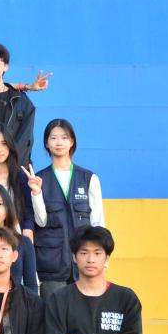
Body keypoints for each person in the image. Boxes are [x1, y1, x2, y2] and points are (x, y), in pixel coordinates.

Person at [32, 118, 105, 298]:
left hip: (84, 264)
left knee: (84, 313)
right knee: (53, 312)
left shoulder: (88, 178)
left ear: (72, 142)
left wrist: (100, 259)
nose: (59, 142)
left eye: (64, 138)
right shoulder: (39, 179)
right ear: (46, 143)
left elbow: (98, 223)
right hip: (51, 265)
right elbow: (41, 221)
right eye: (53, 138)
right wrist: (36, 192)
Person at [0, 126, 35, 242]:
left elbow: (29, 210)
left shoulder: (21, 177)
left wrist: (28, 229)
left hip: (15, 238)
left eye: (4, 144)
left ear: (10, 146)